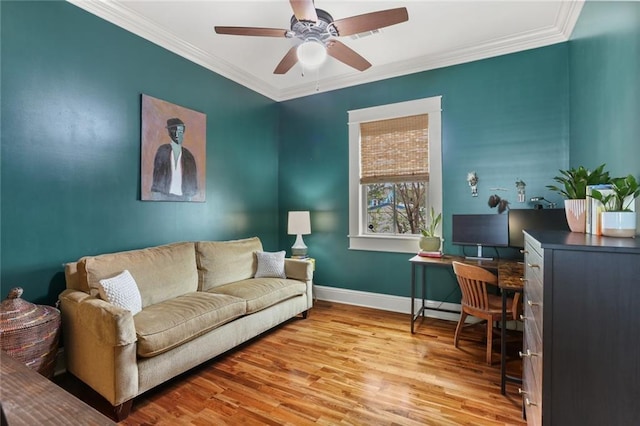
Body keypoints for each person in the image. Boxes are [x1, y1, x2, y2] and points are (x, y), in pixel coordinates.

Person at [151, 118, 198, 201]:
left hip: (184, 197)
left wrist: (190, 195)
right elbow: (157, 175)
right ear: (169, 133)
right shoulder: (162, 151)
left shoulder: (189, 156)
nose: (177, 134)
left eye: (180, 131)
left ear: (183, 133)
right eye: (174, 131)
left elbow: (192, 180)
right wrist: (156, 194)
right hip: (163, 195)